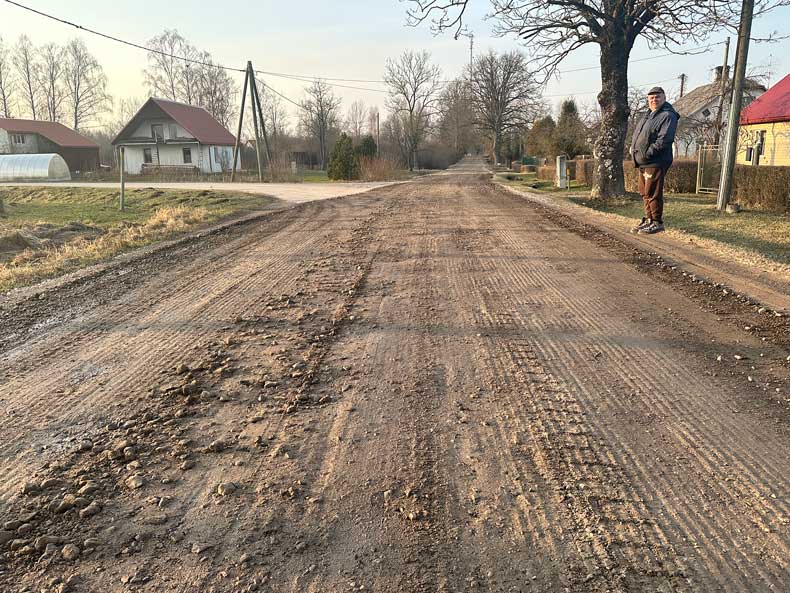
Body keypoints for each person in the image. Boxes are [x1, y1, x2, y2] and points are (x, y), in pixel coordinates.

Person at [630, 87, 680, 235]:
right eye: (651, 98)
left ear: (664, 97)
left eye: (657, 97)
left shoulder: (667, 115)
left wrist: (647, 153)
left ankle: (657, 222)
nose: (654, 100)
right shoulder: (648, 115)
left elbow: (664, 139)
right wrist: (633, 149)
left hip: (655, 160)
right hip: (643, 161)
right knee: (645, 193)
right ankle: (649, 219)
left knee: (653, 192)